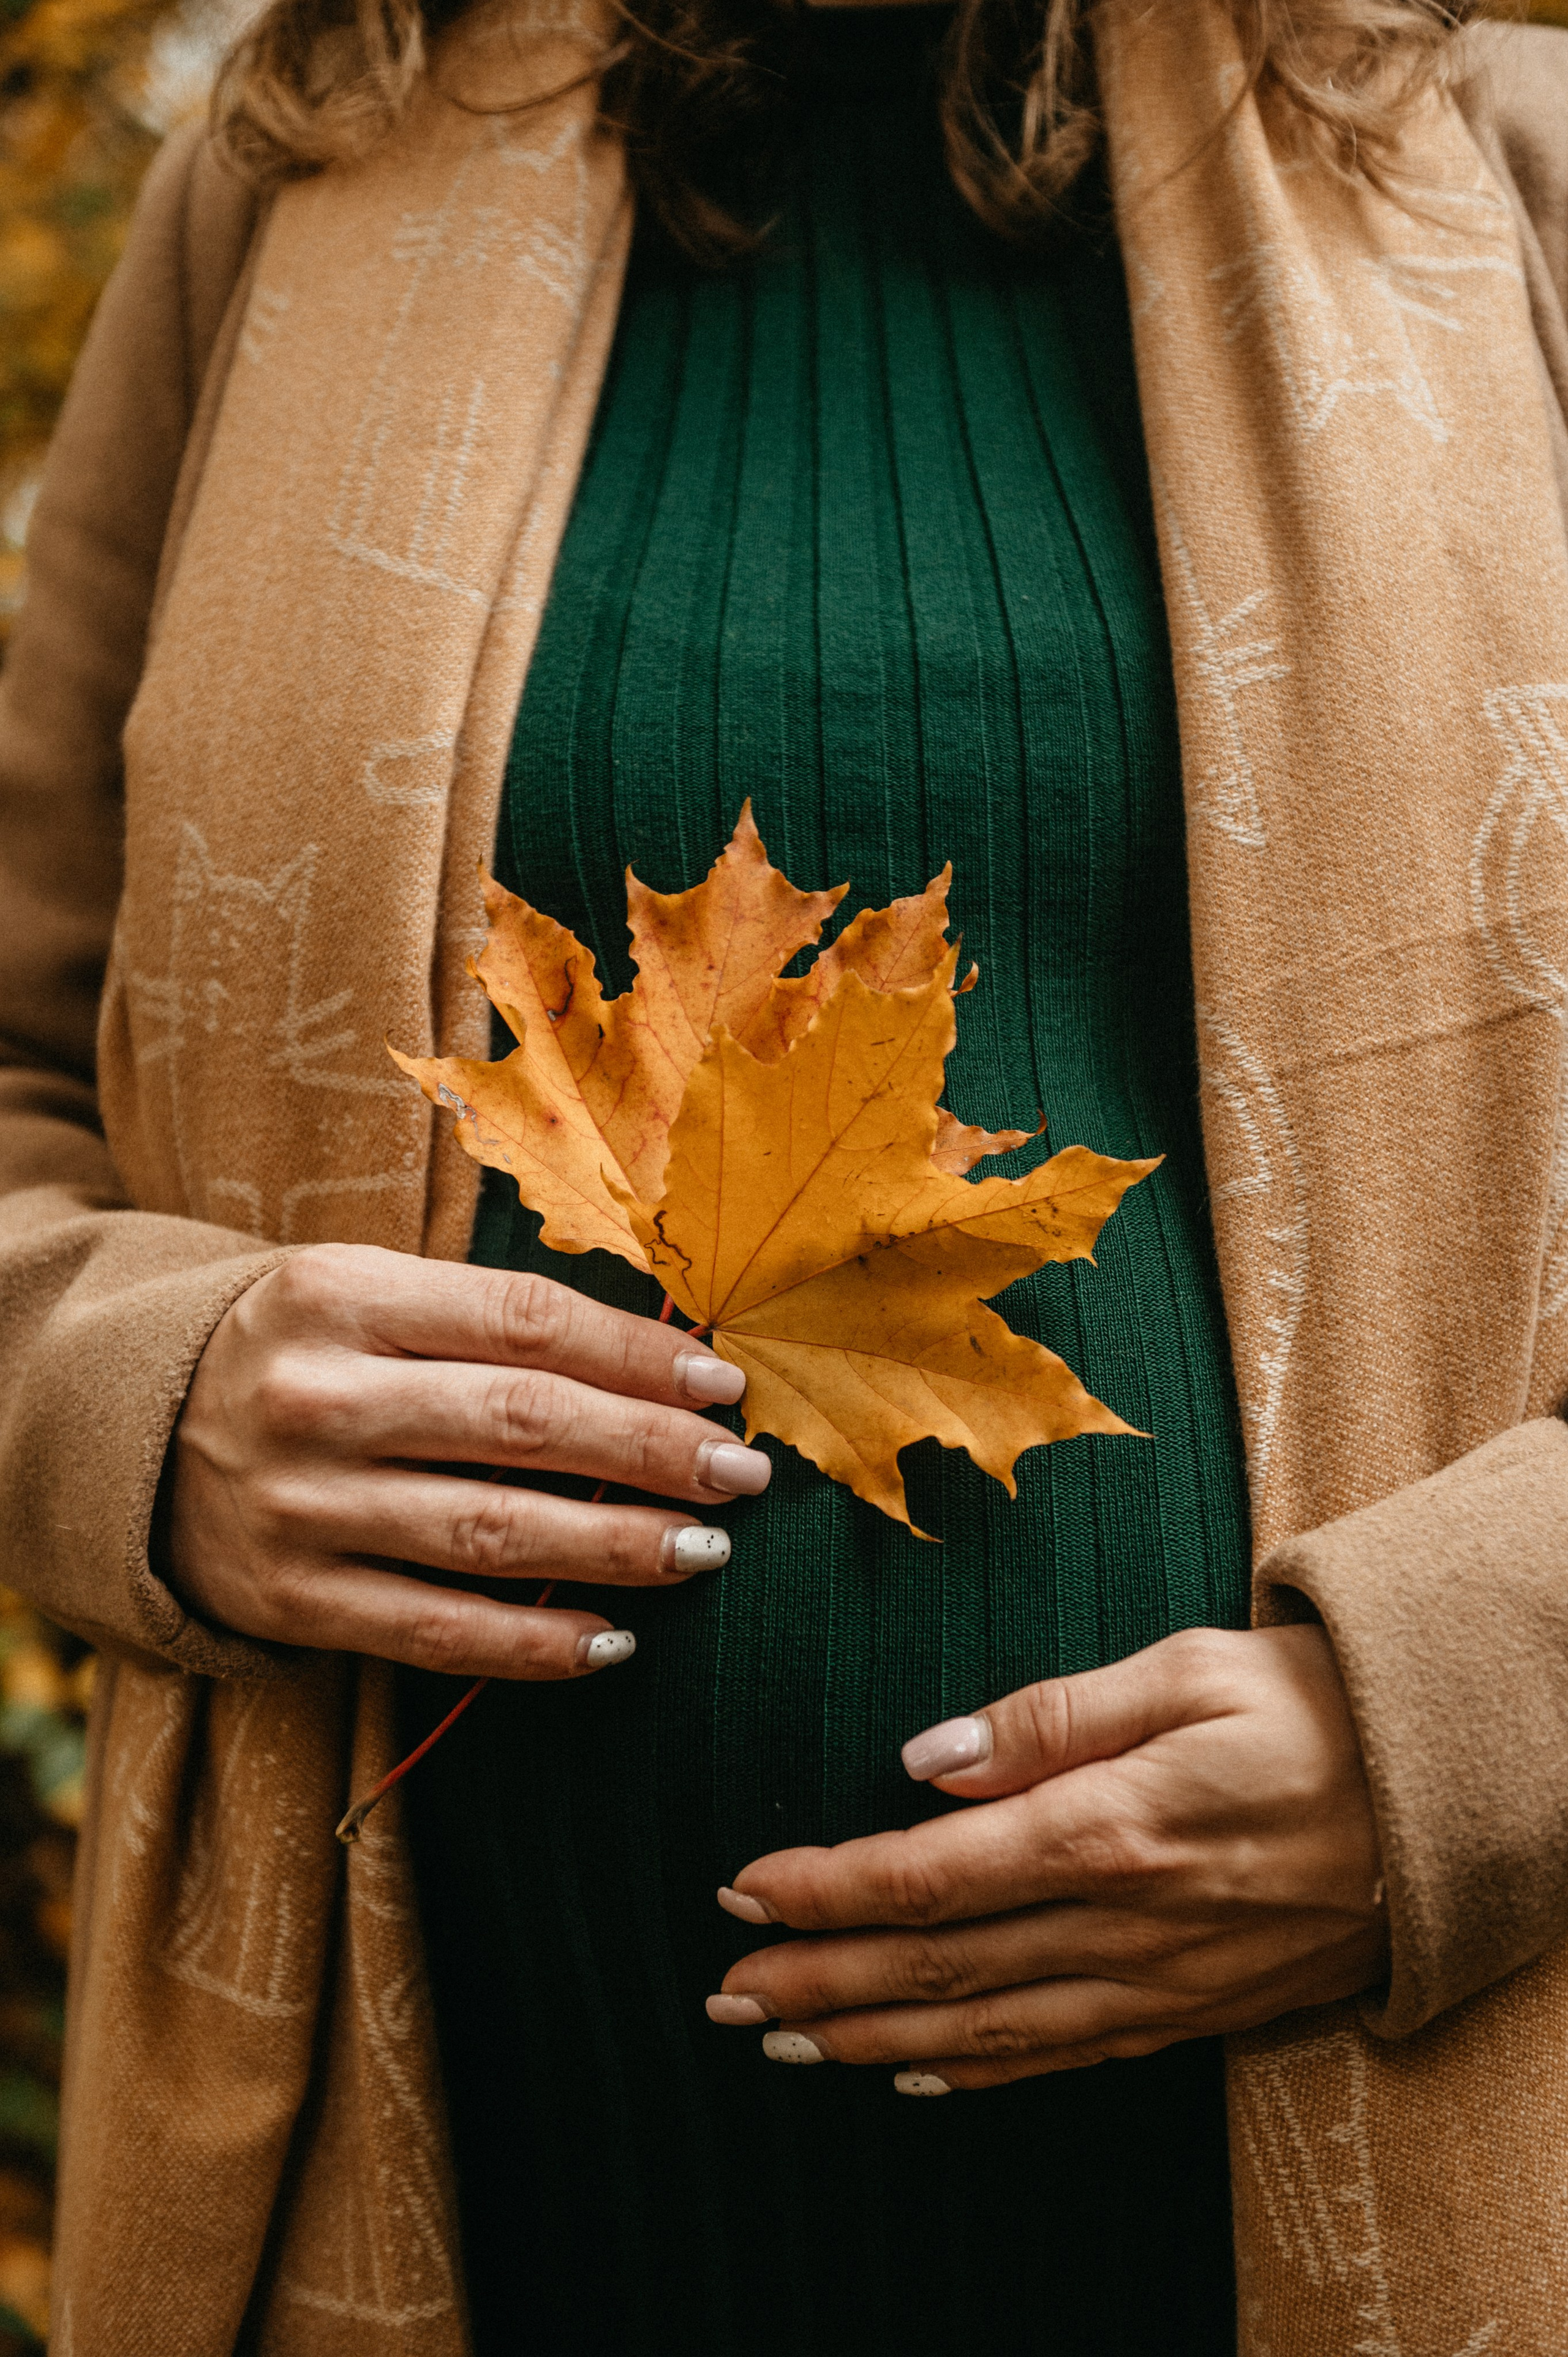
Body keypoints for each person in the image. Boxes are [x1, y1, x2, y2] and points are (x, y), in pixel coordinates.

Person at [2, 0, 1567, 2344]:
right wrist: (130, 1398)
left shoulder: (1511, 164)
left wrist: (1485, 1717)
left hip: (1365, 2169)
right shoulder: (292, 183)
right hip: (478, 2211)